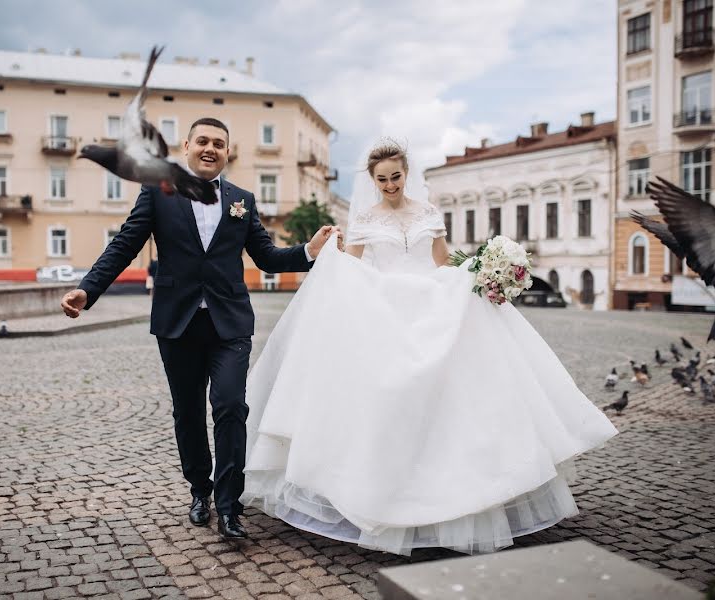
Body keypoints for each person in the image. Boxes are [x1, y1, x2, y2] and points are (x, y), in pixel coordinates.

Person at [240, 141, 618, 555]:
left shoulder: (428, 213)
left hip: (434, 306)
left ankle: (461, 491)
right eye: (381, 179)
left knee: (455, 394)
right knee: (389, 397)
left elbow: (443, 262)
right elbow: (352, 265)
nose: (389, 185)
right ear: (372, 180)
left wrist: (481, 272)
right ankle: (383, 490)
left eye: (395, 177)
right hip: (384, 310)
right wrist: (329, 253)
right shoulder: (364, 218)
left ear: (406, 173)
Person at [61, 117, 341, 540]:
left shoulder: (242, 200)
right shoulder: (159, 192)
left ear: (228, 152)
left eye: (220, 144)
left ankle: (230, 506)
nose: (211, 149)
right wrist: (88, 290)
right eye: (203, 141)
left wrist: (307, 251)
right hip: (178, 322)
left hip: (229, 324)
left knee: (230, 406)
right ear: (187, 145)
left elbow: (265, 257)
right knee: (188, 412)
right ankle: (200, 490)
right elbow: (125, 244)